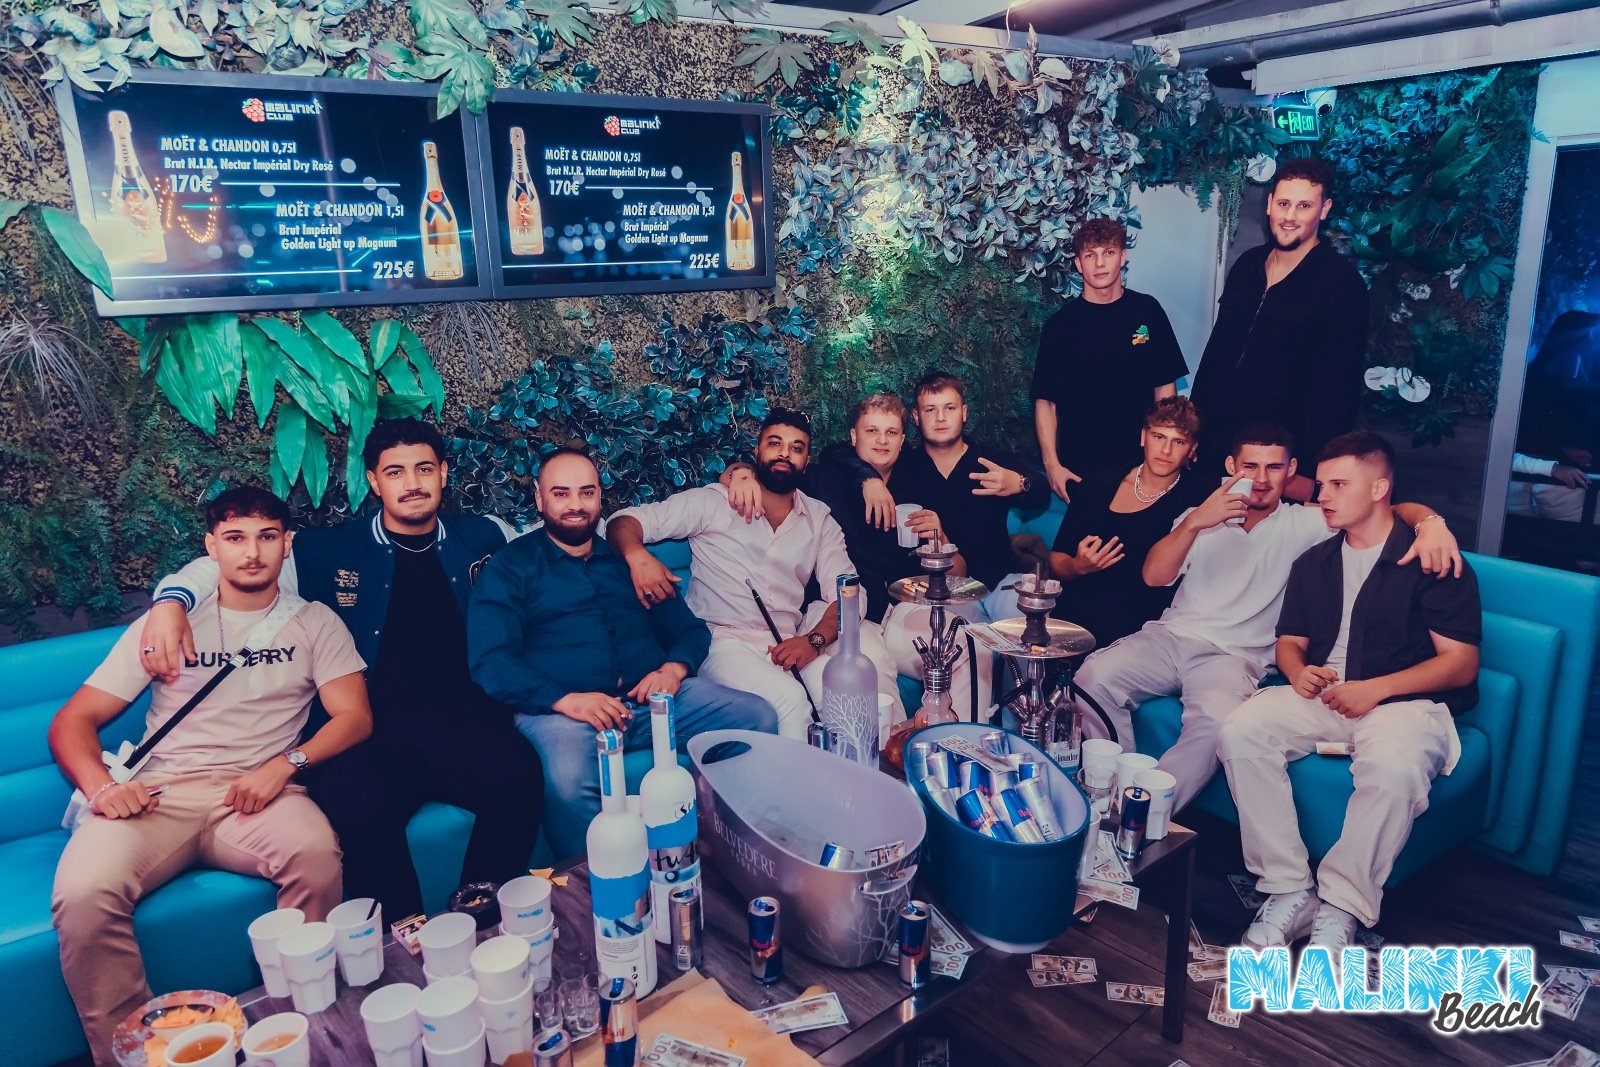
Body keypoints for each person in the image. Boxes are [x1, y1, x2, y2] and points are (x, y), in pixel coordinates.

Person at [141, 419, 543, 920]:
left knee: (519, 776)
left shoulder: (483, 536)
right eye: (395, 472)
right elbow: (227, 562)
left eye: (424, 469)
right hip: (363, 732)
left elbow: (556, 536)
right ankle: (404, 938)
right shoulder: (323, 552)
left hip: (461, 725)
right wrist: (171, 601)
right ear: (374, 481)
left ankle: (478, 914)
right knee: (360, 811)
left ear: (443, 473)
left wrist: (628, 548)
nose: (412, 483)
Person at [50, 487, 372, 1065]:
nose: (252, 552)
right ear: (210, 546)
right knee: (82, 893)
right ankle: (130, 1054)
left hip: (258, 793)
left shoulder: (315, 622)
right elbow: (73, 721)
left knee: (315, 854)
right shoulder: (168, 622)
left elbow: (354, 717)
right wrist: (103, 788)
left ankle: (301, 1023)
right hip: (160, 793)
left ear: (286, 545)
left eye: (267, 537)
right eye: (235, 538)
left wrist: (286, 764)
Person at [1073, 423, 1461, 812]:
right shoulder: (1198, 518)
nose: (1260, 480)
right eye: (1250, 466)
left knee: (1218, 727)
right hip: (1169, 637)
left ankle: (1139, 815)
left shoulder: (1311, 523)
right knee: (1091, 679)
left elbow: (1382, 508)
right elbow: (1153, 577)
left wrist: (1431, 524)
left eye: (1273, 467)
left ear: (1290, 470)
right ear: (1231, 466)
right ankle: (1107, 799)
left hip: (1234, 657)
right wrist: (1195, 522)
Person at [1219, 432, 1480, 951]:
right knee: (1240, 730)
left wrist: (1376, 689)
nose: (1323, 496)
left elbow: (1461, 665)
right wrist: (1297, 672)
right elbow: (1289, 642)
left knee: (1393, 768)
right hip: (1325, 698)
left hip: (1403, 704)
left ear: (1379, 488)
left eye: (1339, 485)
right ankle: (1288, 888)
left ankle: (1342, 906)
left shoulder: (1428, 556)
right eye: (1321, 485)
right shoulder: (1314, 561)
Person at [467, 447, 778, 859]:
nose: (576, 505)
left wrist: (673, 669)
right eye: (561, 494)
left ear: (600, 497)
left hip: (651, 703)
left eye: (586, 492)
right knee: (565, 777)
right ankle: (598, 879)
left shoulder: (630, 562)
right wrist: (566, 700)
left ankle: (721, 849)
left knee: (756, 717)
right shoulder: (510, 567)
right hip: (562, 714)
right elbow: (491, 661)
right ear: (540, 500)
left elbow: (689, 631)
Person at [606, 409, 904, 740]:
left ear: (806, 462)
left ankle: (858, 772)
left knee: (849, 693)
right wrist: (637, 556)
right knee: (790, 701)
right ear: (757, 451)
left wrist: (814, 641)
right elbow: (623, 521)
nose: (784, 454)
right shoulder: (713, 502)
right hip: (720, 643)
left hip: (784, 643)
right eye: (775, 443)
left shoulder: (818, 518)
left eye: (796, 448)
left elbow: (849, 592)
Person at [723, 394, 980, 719]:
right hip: (837, 610)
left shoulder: (917, 486)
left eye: (891, 432)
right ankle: (890, 746)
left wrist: (941, 540)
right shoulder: (825, 479)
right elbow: (772, 469)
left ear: (902, 440)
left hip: (898, 612)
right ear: (854, 437)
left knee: (969, 647)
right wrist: (742, 474)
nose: (882, 440)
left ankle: (966, 739)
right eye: (872, 431)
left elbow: (959, 575)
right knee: (869, 663)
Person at [1189, 157, 1370, 501]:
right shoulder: (1247, 266)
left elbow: (1337, 389)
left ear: (1324, 209)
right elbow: (1216, 354)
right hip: (1217, 449)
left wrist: (1309, 474)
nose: (1290, 216)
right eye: (1284, 203)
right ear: (1269, 204)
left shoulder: (1341, 284)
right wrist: (1193, 428)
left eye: (1304, 206)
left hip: (1280, 463)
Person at [1033, 217, 1188, 500]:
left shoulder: (1147, 311)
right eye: (1090, 255)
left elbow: (1165, 389)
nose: (1100, 263)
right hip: (1080, 469)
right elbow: (1046, 401)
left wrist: (1164, 453)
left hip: (1141, 465)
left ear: (1123, 257)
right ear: (1079, 264)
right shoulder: (1060, 326)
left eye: (1109, 252)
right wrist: (1052, 465)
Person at [888, 370, 1050, 623]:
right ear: (916, 418)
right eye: (930, 410)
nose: (941, 418)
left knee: (1025, 621)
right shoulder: (904, 469)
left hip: (1000, 582)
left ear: (963, 412)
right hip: (944, 588)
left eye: (950, 408)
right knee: (953, 635)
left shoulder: (989, 460)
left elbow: (1042, 494)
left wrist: (1019, 483)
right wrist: (870, 482)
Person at [1048, 397, 1206, 648]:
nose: (1166, 451)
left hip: (1144, 634)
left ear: (1192, 449)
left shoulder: (1198, 500)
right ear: (1143, 437)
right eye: (1158, 437)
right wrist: (1078, 566)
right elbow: (1056, 562)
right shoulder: (1097, 485)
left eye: (1178, 441)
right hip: (1075, 623)